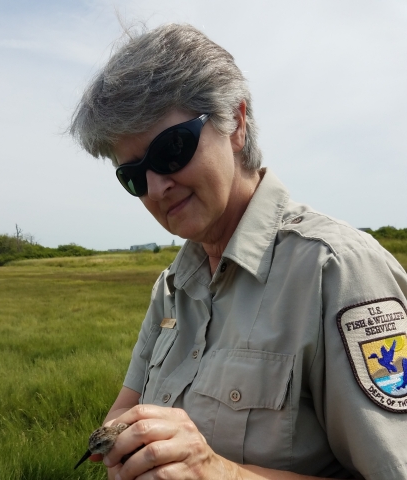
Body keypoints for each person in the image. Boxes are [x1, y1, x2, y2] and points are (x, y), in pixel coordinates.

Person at [70, 23, 407, 480]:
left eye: (171, 150)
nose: (156, 187)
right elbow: (125, 409)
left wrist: (217, 472)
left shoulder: (337, 270)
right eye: (133, 174)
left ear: (235, 122)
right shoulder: (172, 288)